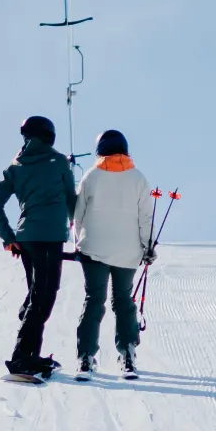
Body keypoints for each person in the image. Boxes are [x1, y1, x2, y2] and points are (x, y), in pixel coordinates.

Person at [0, 115, 77, 378]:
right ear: (49, 135)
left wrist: (8, 238)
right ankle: (20, 358)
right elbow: (72, 202)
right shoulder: (60, 161)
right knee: (45, 297)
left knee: (38, 294)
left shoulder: (16, 166)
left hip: (26, 238)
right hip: (50, 237)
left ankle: (30, 352)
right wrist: (81, 236)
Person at [71, 129, 155, 380]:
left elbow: (78, 215)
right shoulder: (138, 178)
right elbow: (145, 217)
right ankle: (128, 354)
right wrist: (147, 246)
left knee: (94, 299)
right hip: (127, 251)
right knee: (123, 301)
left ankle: (85, 357)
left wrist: (78, 244)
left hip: (94, 249)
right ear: (125, 150)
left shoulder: (91, 176)